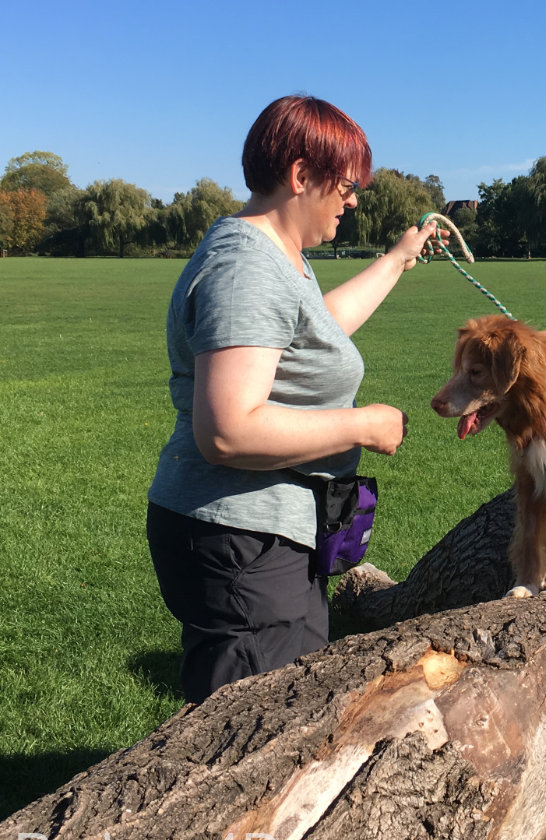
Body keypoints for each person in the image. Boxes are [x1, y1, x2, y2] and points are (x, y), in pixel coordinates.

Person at [146, 95, 442, 704]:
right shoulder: (246, 268)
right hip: (238, 539)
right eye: (347, 184)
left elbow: (317, 331)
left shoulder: (280, 259)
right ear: (301, 175)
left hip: (257, 535)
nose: (354, 199)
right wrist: (361, 424)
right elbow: (228, 430)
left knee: (279, 721)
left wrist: (395, 261)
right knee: (252, 742)